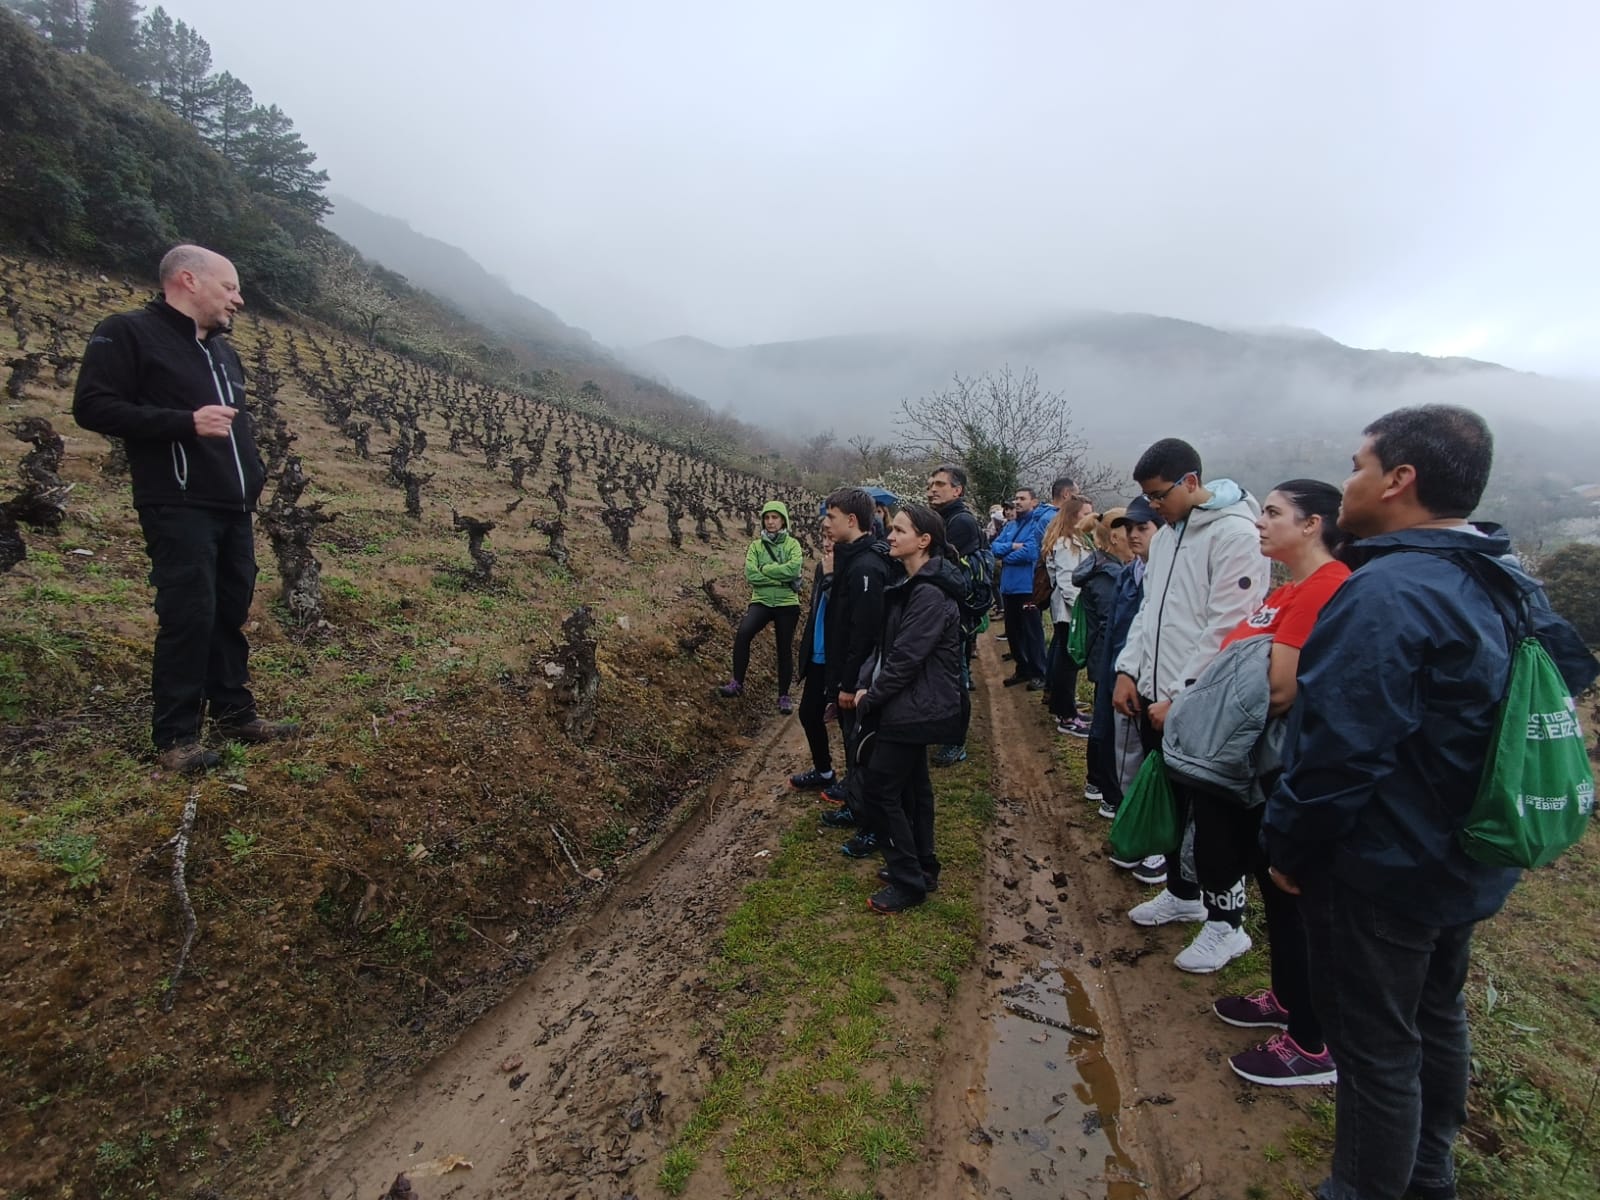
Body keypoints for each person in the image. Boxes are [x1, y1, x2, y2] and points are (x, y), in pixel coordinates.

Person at [1263, 407, 1597, 1200]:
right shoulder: (1501, 571)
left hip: (1385, 863)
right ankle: (1428, 1175)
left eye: (1357, 463)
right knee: (1437, 1017)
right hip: (1464, 851)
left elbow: (1337, 752)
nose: (1349, 481)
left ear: (1399, 479)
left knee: (1375, 1046)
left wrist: (1288, 848)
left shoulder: (1388, 591)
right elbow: (1570, 669)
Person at [72, 244, 296, 774]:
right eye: (229, 287)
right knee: (189, 614)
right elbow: (91, 406)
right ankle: (176, 736)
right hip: (178, 501)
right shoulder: (127, 332)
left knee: (229, 611)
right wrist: (183, 422)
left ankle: (234, 713)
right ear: (189, 281)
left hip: (233, 504)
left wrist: (255, 473)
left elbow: (235, 426)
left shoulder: (222, 350)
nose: (238, 300)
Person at [1164, 481, 1351, 1087]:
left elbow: (1278, 688)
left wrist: (1208, 716)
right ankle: (1286, 996)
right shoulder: (1288, 587)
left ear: (1313, 524)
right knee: (1271, 887)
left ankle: (1312, 1043)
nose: (1260, 523)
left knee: (1294, 897)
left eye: (1273, 514)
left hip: (1272, 766)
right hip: (1245, 761)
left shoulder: (1326, 587)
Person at [1113, 439, 1269, 926]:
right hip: (1154, 696)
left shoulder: (1235, 537)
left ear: (1192, 483)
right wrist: (1127, 670)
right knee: (1173, 801)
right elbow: (1150, 612)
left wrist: (1181, 697)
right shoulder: (1165, 539)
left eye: (1160, 496)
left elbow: (1228, 628)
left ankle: (1225, 919)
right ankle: (1181, 892)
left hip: (1203, 705)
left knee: (1213, 815)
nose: (1154, 507)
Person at [852, 503, 967, 913]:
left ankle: (908, 880)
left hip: (915, 706)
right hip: (912, 704)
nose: (891, 536)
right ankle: (923, 867)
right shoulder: (912, 584)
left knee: (881, 790)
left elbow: (905, 659)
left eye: (900, 530)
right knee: (915, 789)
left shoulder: (930, 594)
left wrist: (872, 698)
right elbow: (887, 649)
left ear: (924, 541)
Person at [819, 487, 893, 844]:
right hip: (844, 672)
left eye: (830, 517)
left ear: (851, 520)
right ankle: (856, 805)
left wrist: (848, 684)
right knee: (852, 745)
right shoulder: (851, 559)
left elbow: (863, 633)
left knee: (864, 747)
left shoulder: (867, 567)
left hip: (859, 678)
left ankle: (872, 823)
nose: (825, 523)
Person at [1098, 499, 1164, 828]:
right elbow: (1116, 630)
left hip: (1153, 682)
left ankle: (1146, 830)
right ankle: (1129, 819)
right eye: (1129, 528)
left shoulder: (1167, 577)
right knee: (1125, 753)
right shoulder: (1129, 573)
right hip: (1122, 675)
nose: (1133, 535)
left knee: (1149, 759)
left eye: (1143, 528)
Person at [717, 500, 804, 712]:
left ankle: (783, 696)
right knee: (743, 633)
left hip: (787, 603)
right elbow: (751, 575)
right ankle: (737, 683)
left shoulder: (793, 545)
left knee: (784, 648)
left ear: (783, 520)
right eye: (767, 517)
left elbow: (794, 570)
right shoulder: (756, 546)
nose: (770, 521)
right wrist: (778, 577)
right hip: (761, 601)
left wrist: (766, 569)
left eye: (775, 517)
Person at [926, 463, 983, 766]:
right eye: (930, 484)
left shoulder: (960, 522)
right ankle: (944, 730)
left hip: (956, 613)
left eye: (939, 484)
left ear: (957, 490)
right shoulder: (945, 517)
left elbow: (936, 563)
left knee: (954, 676)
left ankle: (955, 741)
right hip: (943, 609)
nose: (932, 489)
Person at [790, 513, 837, 790]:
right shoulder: (822, 568)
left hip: (839, 659)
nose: (826, 544)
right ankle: (825, 772)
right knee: (809, 713)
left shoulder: (854, 569)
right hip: (819, 656)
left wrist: (832, 576)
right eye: (823, 537)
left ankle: (857, 787)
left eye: (832, 538)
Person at [1040, 486, 1093, 730]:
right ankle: (1066, 714)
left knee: (1065, 661)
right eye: (1085, 514)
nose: (1091, 518)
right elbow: (1067, 581)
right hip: (1069, 613)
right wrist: (1083, 612)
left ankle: (1064, 705)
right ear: (1073, 516)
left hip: (1070, 611)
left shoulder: (1076, 541)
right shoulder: (1065, 544)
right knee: (1067, 663)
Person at [991, 487, 1047, 687]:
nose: (1017, 502)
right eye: (1016, 498)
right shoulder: (1010, 526)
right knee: (1013, 633)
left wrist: (1005, 557)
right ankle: (1022, 668)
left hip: (1027, 588)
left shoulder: (1036, 525)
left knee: (1032, 632)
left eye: (1022, 498)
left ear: (1034, 502)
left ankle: (1039, 672)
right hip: (1009, 588)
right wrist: (1011, 548)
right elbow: (994, 548)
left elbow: (1031, 552)